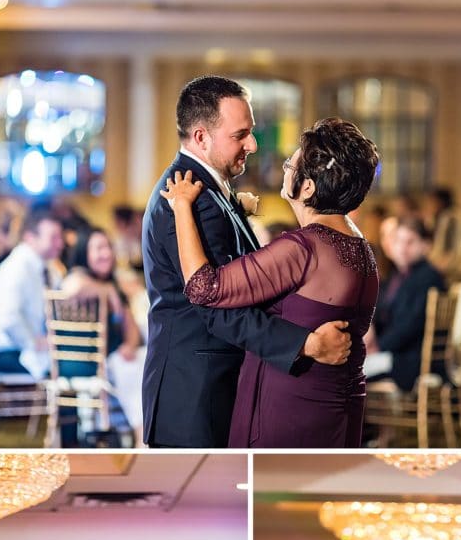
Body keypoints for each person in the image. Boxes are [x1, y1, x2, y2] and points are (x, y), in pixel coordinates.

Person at [141, 75, 354, 448]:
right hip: (196, 394)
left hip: (211, 385)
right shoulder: (188, 201)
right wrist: (306, 344)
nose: (253, 145)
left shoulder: (203, 192)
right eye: (240, 135)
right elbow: (217, 308)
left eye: (250, 132)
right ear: (201, 137)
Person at [62, 227, 147, 445]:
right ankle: (141, 436)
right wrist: (106, 291)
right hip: (83, 362)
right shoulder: (78, 276)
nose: (106, 253)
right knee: (129, 365)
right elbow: (71, 289)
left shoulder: (113, 283)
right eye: (98, 248)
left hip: (109, 361)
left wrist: (130, 344)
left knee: (140, 358)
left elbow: (131, 329)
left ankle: (146, 433)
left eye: (108, 247)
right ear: (84, 253)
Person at [364, 216, 445, 392]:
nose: (402, 248)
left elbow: (411, 325)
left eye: (410, 242)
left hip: (409, 361)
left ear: (426, 245)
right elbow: (382, 311)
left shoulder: (428, 277)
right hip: (398, 355)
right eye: (399, 241)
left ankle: (358, 420)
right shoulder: (401, 275)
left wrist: (378, 346)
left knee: (347, 372)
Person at [0, 207, 65, 379]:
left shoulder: (48, 267)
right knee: (72, 366)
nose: (60, 244)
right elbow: (7, 319)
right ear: (30, 237)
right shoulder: (16, 268)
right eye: (53, 238)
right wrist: (35, 343)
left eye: (60, 237)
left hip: (29, 349)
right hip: (9, 351)